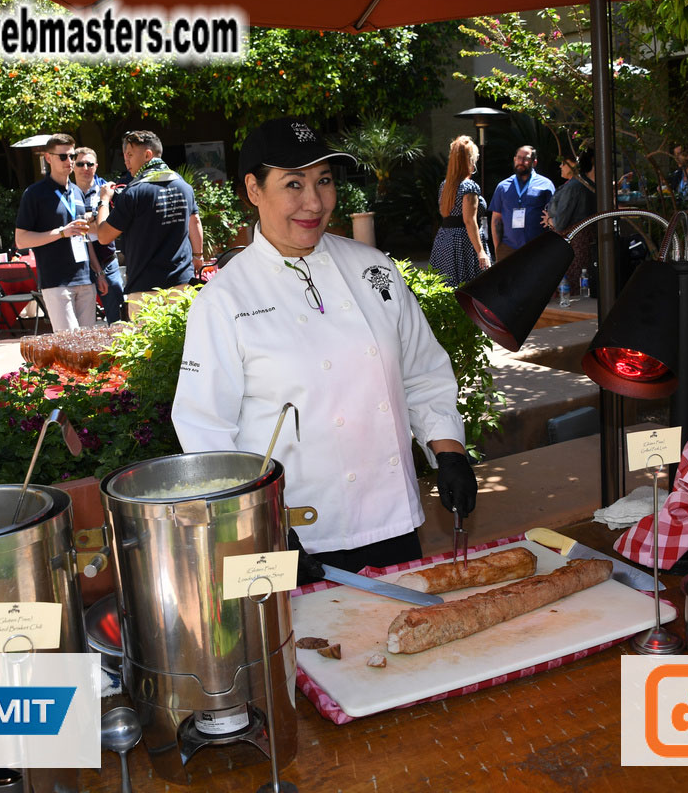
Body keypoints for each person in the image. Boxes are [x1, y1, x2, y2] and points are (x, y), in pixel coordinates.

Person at [171, 117, 478, 573]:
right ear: (254, 190)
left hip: (391, 520)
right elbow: (206, 430)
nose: (313, 202)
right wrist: (257, 524)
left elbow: (423, 373)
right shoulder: (224, 300)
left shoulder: (374, 270)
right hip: (290, 534)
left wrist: (449, 450)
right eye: (293, 184)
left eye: (324, 181)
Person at [94, 131, 203, 304]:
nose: (126, 160)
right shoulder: (184, 186)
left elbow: (103, 236)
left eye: (130, 154)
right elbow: (195, 222)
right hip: (182, 283)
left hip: (145, 290)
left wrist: (104, 200)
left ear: (147, 155)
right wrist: (198, 256)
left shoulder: (133, 192)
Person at [14, 134, 108, 332]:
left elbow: (83, 237)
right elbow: (21, 241)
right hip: (57, 281)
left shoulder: (76, 191)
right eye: (63, 157)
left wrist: (98, 272)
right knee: (69, 346)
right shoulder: (34, 194)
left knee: (87, 346)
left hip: (85, 278)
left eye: (72, 156)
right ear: (48, 158)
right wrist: (61, 232)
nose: (70, 162)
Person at [73, 147, 126, 323]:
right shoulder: (67, 192)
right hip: (79, 263)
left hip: (107, 259)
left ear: (96, 166)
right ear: (73, 165)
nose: (85, 168)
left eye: (89, 164)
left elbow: (108, 227)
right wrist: (94, 221)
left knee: (117, 313)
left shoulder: (107, 190)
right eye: (80, 164)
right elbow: (68, 227)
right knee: (81, 319)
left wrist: (81, 224)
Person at [428, 135, 489, 288]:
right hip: (464, 243)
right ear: (469, 160)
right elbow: (469, 221)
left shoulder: (445, 185)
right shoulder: (469, 187)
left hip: (444, 240)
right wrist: (480, 251)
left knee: (446, 287)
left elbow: (445, 213)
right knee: (471, 289)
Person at [488, 145, 555, 262]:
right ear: (514, 160)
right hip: (508, 249)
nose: (521, 162)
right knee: (509, 281)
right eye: (519, 158)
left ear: (534, 162)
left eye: (526, 159)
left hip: (537, 248)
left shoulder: (546, 185)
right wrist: (498, 248)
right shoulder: (503, 187)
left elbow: (554, 216)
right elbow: (496, 219)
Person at [546, 150, 598, 288]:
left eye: (564, 163)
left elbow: (561, 223)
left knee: (573, 284)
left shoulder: (574, 186)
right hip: (582, 241)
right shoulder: (585, 183)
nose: (560, 167)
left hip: (574, 243)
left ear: (574, 165)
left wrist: (550, 221)